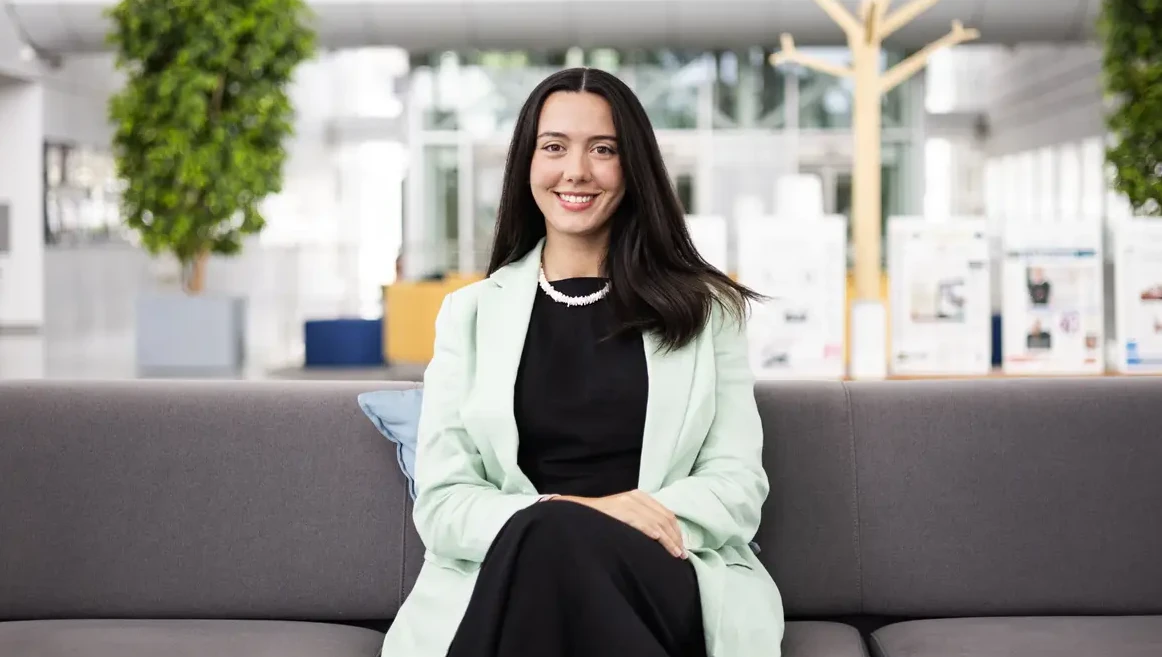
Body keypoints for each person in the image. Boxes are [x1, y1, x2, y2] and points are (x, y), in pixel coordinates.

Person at [378, 67, 785, 657]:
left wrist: (602, 521)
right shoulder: (468, 316)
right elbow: (443, 506)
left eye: (603, 149)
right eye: (554, 148)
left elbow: (737, 485)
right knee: (549, 539)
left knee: (555, 538)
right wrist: (563, 513)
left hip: (660, 569)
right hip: (510, 575)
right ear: (526, 166)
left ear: (633, 168)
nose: (576, 171)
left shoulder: (706, 311)